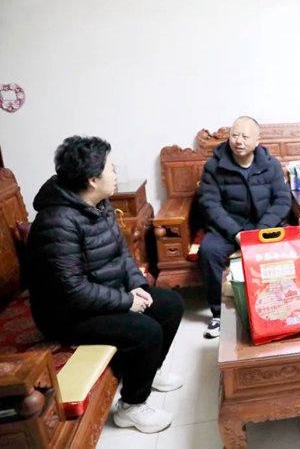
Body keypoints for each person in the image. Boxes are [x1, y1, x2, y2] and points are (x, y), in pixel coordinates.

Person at [27, 136, 184, 434]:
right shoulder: (56, 222)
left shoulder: (98, 203)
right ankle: (131, 406)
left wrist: (136, 285)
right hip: (66, 314)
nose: (115, 175)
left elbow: (121, 252)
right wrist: (126, 301)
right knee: (146, 331)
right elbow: (72, 290)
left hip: (103, 293)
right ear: (92, 179)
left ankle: (149, 371)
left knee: (170, 305)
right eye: (111, 169)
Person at [198, 116, 291, 338]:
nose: (238, 141)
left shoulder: (270, 164)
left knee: (287, 249)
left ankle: (280, 305)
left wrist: (260, 231)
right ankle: (218, 314)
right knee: (208, 251)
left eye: (245, 137)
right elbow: (210, 204)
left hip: (262, 226)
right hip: (228, 227)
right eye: (234, 135)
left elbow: (282, 201)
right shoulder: (214, 166)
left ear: (257, 141)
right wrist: (236, 233)